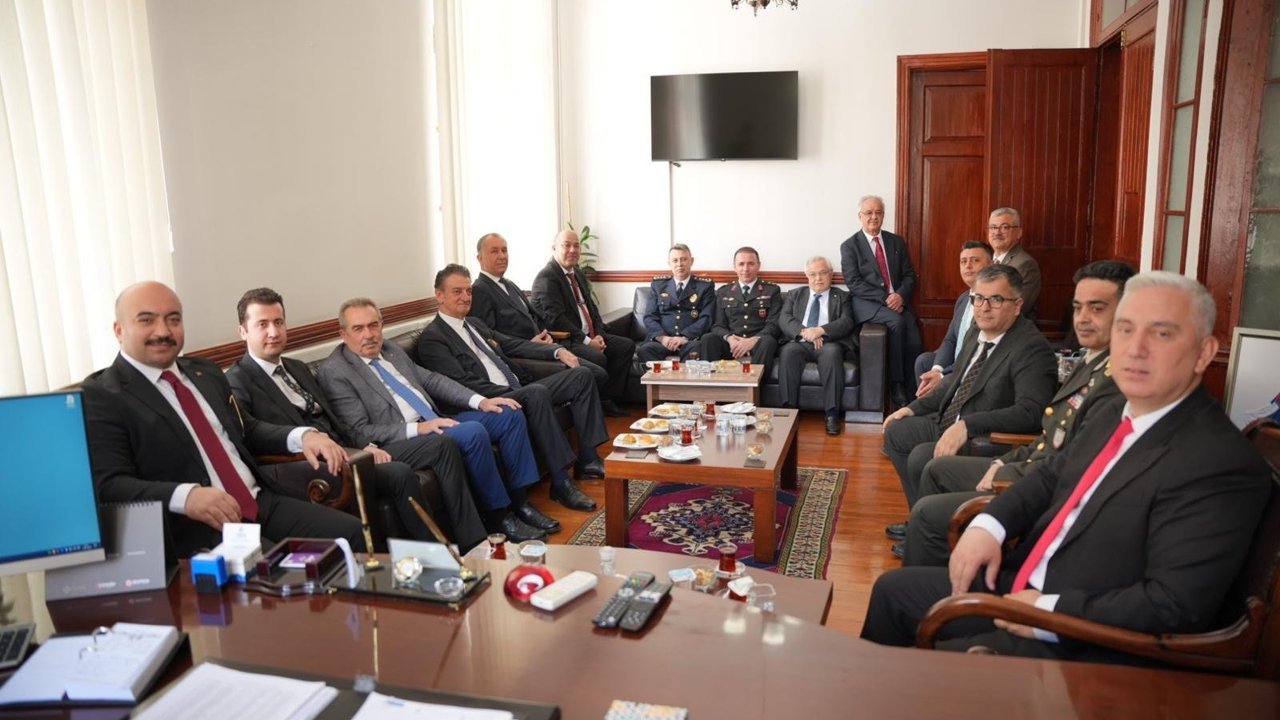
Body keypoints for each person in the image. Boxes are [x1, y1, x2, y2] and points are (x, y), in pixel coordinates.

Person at [861, 272, 1273, 663]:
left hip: (1083, 639)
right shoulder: (1116, 411)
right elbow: (1052, 474)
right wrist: (991, 524)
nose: (1135, 348)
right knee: (891, 591)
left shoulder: (1220, 463)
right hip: (1028, 583)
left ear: (1204, 353)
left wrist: (1047, 609)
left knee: (924, 671)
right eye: (1125, 329)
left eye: (1161, 333)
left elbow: (1173, 606)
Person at [82, 282, 364, 560]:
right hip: (201, 526)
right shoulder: (102, 395)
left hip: (258, 501)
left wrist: (302, 436)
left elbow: (247, 430)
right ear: (119, 330)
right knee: (282, 571)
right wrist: (186, 496)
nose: (163, 331)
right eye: (147, 320)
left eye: (174, 319)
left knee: (351, 534)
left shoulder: (204, 372)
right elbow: (110, 484)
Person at [898, 261, 1136, 564]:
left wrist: (1005, 468)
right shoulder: (1091, 362)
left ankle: (938, 568)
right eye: (1078, 307)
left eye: (1097, 308)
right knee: (929, 465)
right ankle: (937, 556)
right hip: (1023, 460)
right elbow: (1050, 438)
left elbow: (1061, 452)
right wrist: (1004, 462)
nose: (1083, 318)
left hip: (1037, 484)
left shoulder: (1117, 381)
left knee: (925, 507)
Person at [226, 287, 488, 550]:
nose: (273, 332)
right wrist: (350, 452)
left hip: (350, 451)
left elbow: (338, 420)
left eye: (279, 322)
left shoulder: (296, 368)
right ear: (243, 331)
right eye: (262, 324)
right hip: (307, 466)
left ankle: (474, 544)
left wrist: (364, 447)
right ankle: (434, 558)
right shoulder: (237, 381)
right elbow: (252, 439)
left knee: (441, 445)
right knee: (399, 473)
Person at [317, 298, 552, 543]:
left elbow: (432, 380)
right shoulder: (336, 371)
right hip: (402, 438)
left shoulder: (391, 350)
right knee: (472, 432)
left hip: (436, 419)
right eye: (358, 328)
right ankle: (500, 517)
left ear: (381, 325)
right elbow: (359, 432)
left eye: (373, 325)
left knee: (508, 414)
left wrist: (480, 401)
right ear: (343, 334)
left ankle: (521, 502)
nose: (369, 334)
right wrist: (419, 428)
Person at [416, 264, 604, 512]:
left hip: (520, 386)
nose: (465, 297)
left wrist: (556, 350)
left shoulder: (475, 324)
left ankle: (588, 459)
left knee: (581, 376)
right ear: (439, 295)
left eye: (468, 291)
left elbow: (514, 345)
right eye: (457, 291)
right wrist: (506, 393)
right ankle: (561, 483)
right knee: (536, 393)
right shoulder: (433, 338)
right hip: (491, 398)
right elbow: (461, 383)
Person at [881, 264, 1055, 520]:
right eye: (979, 298)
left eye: (996, 299)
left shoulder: (1032, 348)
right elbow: (955, 382)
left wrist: (968, 426)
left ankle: (929, 520)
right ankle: (921, 517)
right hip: (951, 420)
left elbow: (1030, 412)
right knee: (897, 430)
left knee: (920, 456)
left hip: (983, 437)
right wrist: (911, 408)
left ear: (1017, 305)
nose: (984, 307)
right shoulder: (977, 331)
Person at [470, 232, 612, 401]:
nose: (502, 256)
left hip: (547, 345)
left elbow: (536, 317)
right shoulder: (479, 290)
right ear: (479, 258)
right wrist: (531, 344)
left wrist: (546, 335)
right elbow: (489, 338)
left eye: (504, 250)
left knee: (598, 371)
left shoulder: (509, 284)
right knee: (596, 374)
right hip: (525, 356)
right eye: (495, 251)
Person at [531, 230, 636, 412]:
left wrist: (599, 335)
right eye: (567, 245)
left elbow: (592, 308)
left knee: (625, 346)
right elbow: (556, 320)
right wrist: (588, 341)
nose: (573, 250)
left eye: (576, 245)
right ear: (554, 248)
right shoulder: (547, 278)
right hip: (566, 339)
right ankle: (599, 403)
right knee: (598, 357)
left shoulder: (577, 273)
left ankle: (610, 399)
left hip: (588, 334)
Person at [841, 195, 922, 408]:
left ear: (883, 215)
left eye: (878, 212)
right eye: (868, 213)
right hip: (867, 303)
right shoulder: (849, 246)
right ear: (860, 216)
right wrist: (886, 298)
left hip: (898, 300)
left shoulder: (896, 242)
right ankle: (896, 385)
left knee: (914, 337)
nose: (873, 217)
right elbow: (854, 283)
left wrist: (900, 295)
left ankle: (914, 390)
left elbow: (909, 275)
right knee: (896, 323)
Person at [776, 256, 857, 436]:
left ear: (831, 274)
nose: (818, 278)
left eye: (822, 273)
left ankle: (832, 413)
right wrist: (806, 333)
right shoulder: (795, 294)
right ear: (807, 276)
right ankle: (789, 411)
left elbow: (847, 321)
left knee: (832, 353)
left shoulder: (842, 296)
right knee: (788, 352)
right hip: (800, 341)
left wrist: (820, 330)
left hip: (828, 342)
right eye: (813, 274)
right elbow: (784, 319)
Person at [914, 241, 994, 398]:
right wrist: (937, 369)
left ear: (991, 265)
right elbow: (950, 339)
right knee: (924, 362)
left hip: (975, 366)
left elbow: (978, 352)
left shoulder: (991, 303)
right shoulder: (963, 299)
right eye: (963, 261)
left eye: (975, 260)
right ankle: (929, 408)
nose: (968, 266)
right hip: (955, 362)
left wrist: (942, 375)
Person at [700, 246, 782, 380]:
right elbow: (718, 325)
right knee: (708, 339)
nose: (746, 269)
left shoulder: (772, 290)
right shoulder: (724, 292)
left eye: (751, 264)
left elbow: (774, 324)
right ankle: (712, 389)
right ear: (734, 267)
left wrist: (752, 340)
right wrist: (730, 339)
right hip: (731, 345)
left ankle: (755, 388)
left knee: (768, 341)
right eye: (741, 264)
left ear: (758, 265)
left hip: (758, 343)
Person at [635, 244, 716, 363]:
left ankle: (683, 376)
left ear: (691, 261)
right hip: (662, 341)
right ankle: (662, 376)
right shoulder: (658, 285)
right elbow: (650, 316)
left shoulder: (705, 286)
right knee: (645, 350)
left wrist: (685, 337)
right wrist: (662, 338)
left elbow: (707, 318)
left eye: (684, 259)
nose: (679, 264)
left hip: (689, 341)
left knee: (697, 349)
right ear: (669, 263)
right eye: (675, 260)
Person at [986, 207, 1041, 319]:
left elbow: (1016, 309)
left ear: (1019, 233)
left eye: (1005, 227)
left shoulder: (1026, 265)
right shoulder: (985, 261)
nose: (997, 232)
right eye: (993, 227)